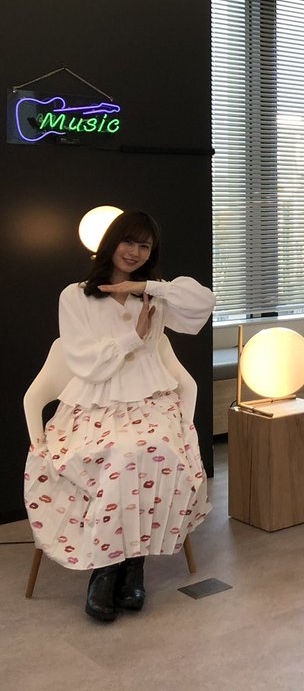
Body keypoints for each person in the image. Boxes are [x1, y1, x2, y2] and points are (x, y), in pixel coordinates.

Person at [24, 211, 215, 622]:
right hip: (93, 402)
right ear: (111, 242)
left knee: (155, 450)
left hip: (151, 399)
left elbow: (204, 301)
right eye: (129, 241)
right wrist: (134, 336)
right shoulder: (75, 296)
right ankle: (108, 568)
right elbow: (84, 361)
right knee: (119, 455)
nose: (135, 252)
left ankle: (132, 565)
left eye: (145, 246)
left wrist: (144, 287)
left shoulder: (154, 296)